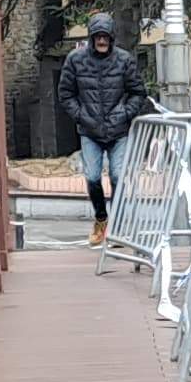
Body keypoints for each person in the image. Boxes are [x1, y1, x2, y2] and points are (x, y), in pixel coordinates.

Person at [56, 16, 157, 234]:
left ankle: (119, 223)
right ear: (92, 38)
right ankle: (101, 219)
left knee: (118, 176)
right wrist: (81, 115)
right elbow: (65, 94)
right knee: (92, 177)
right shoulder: (75, 59)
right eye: (97, 37)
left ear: (111, 38)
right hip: (89, 129)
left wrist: (125, 113)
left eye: (105, 37)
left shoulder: (124, 60)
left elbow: (138, 93)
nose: (101, 41)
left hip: (118, 130)